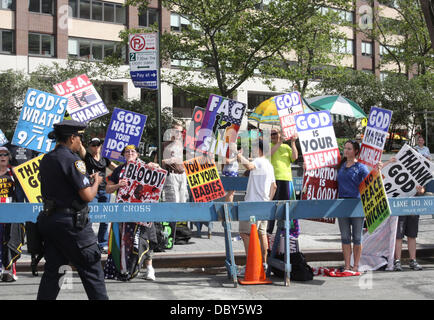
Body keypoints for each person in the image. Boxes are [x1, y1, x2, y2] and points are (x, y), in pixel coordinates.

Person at [37, 120, 108, 300]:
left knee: (53, 273)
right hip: (73, 225)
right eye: (79, 138)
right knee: (92, 270)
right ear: (71, 138)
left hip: (51, 221)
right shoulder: (72, 160)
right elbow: (87, 196)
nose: (81, 142)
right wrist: (97, 182)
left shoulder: (47, 158)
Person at [104, 144, 158, 281]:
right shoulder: (119, 170)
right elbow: (107, 189)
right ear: (123, 155)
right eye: (127, 152)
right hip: (123, 212)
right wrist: (118, 185)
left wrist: (155, 167)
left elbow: (158, 177)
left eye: (133, 151)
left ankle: (149, 268)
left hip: (142, 211)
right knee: (125, 240)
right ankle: (126, 268)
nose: (130, 153)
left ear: (138, 154)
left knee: (143, 239)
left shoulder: (146, 167)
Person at [236, 140, 277, 273]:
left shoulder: (258, 161)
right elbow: (274, 186)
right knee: (262, 233)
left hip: (252, 205)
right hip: (264, 204)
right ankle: (264, 264)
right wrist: (268, 200)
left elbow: (249, 166)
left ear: (258, 150)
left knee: (245, 233)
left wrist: (238, 156)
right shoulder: (269, 165)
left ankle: (251, 265)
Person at [335, 140, 370, 275]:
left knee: (357, 237)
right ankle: (347, 265)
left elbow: (370, 183)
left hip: (357, 205)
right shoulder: (341, 165)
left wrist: (379, 169)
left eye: (349, 148)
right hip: (342, 205)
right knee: (344, 237)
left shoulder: (361, 167)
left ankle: (356, 265)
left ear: (356, 151)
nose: (346, 150)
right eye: (345, 148)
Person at [79, 137, 118, 252]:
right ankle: (89, 242)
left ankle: (103, 243)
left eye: (98, 145)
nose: (95, 147)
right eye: (93, 145)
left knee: (105, 218)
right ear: (90, 147)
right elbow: (80, 146)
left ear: (101, 146)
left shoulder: (105, 159)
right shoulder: (87, 157)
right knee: (89, 216)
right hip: (92, 190)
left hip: (104, 190)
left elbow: (117, 168)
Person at [161, 120, 191, 244]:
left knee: (183, 202)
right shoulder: (165, 144)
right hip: (171, 175)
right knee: (173, 203)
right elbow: (159, 161)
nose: (178, 133)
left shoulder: (181, 143)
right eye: (176, 131)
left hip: (182, 175)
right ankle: (171, 234)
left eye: (181, 131)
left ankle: (181, 234)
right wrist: (169, 160)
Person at [267, 127, 299, 238]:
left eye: (275, 133)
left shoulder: (286, 147)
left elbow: (294, 157)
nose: (273, 136)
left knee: (285, 205)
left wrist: (293, 143)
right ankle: (269, 230)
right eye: (271, 134)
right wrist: (280, 142)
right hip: (273, 180)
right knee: (272, 205)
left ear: (279, 133)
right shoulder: (269, 145)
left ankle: (283, 230)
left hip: (286, 179)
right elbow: (269, 154)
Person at [0, 146, 24, 282]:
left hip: (11, 211)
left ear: (9, 156)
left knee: (10, 241)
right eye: (0, 155)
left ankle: (9, 270)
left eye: (5, 154)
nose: (2, 157)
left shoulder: (14, 172)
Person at [393, 185, 431, 271]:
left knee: (412, 235)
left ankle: (413, 260)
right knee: (398, 236)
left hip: (413, 207)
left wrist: (421, 190)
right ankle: (397, 261)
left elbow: (423, 188)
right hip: (399, 206)